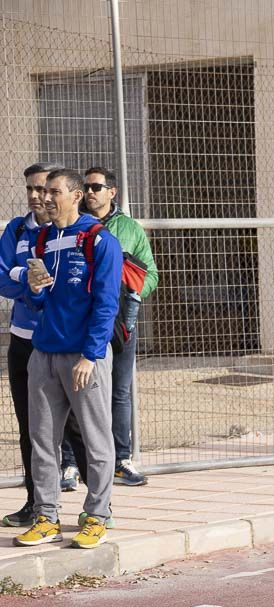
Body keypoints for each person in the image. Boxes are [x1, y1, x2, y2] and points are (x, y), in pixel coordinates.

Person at [12, 168, 122, 549]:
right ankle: (46, 516)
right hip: (44, 353)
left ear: (75, 196)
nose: (44, 198)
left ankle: (97, 515)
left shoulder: (99, 240)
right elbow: (40, 300)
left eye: (53, 192)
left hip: (83, 357)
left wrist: (90, 356)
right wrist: (35, 289)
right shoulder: (42, 239)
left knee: (95, 439)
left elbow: (107, 303)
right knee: (42, 439)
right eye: (43, 192)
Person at [59, 166, 159, 490]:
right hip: (80, 324)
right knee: (76, 390)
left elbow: (152, 275)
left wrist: (132, 293)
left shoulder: (129, 229)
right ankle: (71, 464)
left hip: (118, 325)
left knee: (120, 391)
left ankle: (121, 460)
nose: (90, 192)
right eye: (86, 187)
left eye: (96, 187)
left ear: (112, 192)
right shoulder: (73, 224)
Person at [0, 162, 61, 527]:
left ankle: (97, 508)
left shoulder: (70, 230)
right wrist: (28, 283)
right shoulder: (17, 229)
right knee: (29, 426)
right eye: (31, 190)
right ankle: (35, 502)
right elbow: (2, 279)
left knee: (73, 428)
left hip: (58, 341)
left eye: (44, 189)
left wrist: (22, 277)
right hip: (23, 341)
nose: (37, 196)